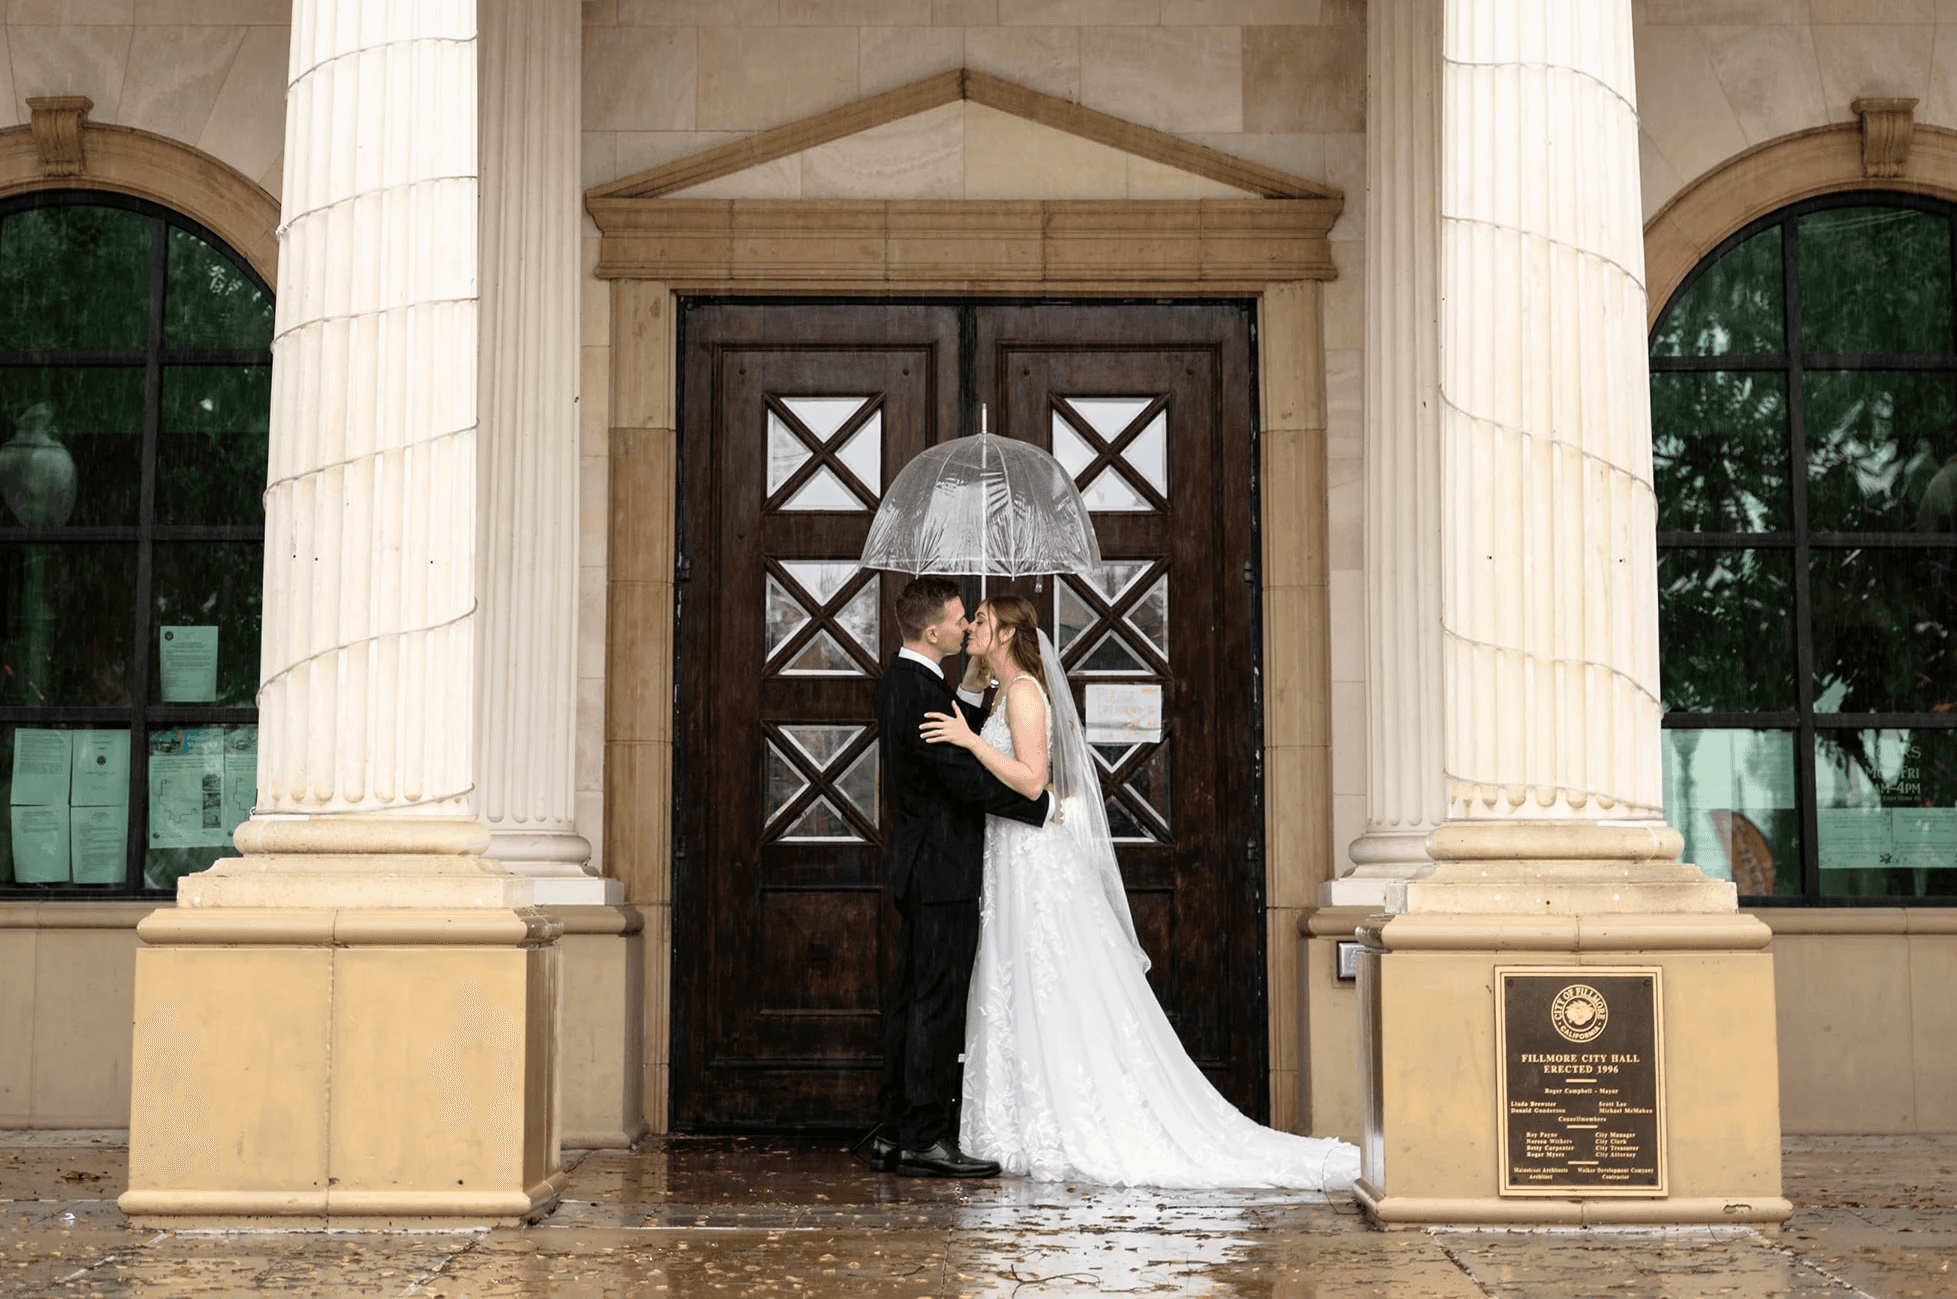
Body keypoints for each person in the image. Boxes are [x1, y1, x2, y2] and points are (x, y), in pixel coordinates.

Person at [921, 595, 1361, 1189]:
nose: (970, 626)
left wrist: (971, 742)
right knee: (1015, 977)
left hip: (1031, 858)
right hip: (1007, 856)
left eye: (980, 619)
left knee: (1045, 973)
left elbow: (1031, 780)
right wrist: (974, 694)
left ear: (1003, 632)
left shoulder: (1024, 692)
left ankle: (1068, 1118)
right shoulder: (1000, 692)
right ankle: (1017, 1122)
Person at [869, 576, 1052, 1178]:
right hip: (942, 867)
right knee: (936, 1002)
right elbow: (963, 778)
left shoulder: (907, 680)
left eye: (974, 620)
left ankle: (895, 1132)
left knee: (912, 997)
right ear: (933, 632)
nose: (967, 626)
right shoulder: (921, 689)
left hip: (924, 863)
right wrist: (1042, 806)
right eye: (958, 619)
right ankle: (924, 1138)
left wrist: (971, 693)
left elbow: (956, 745)